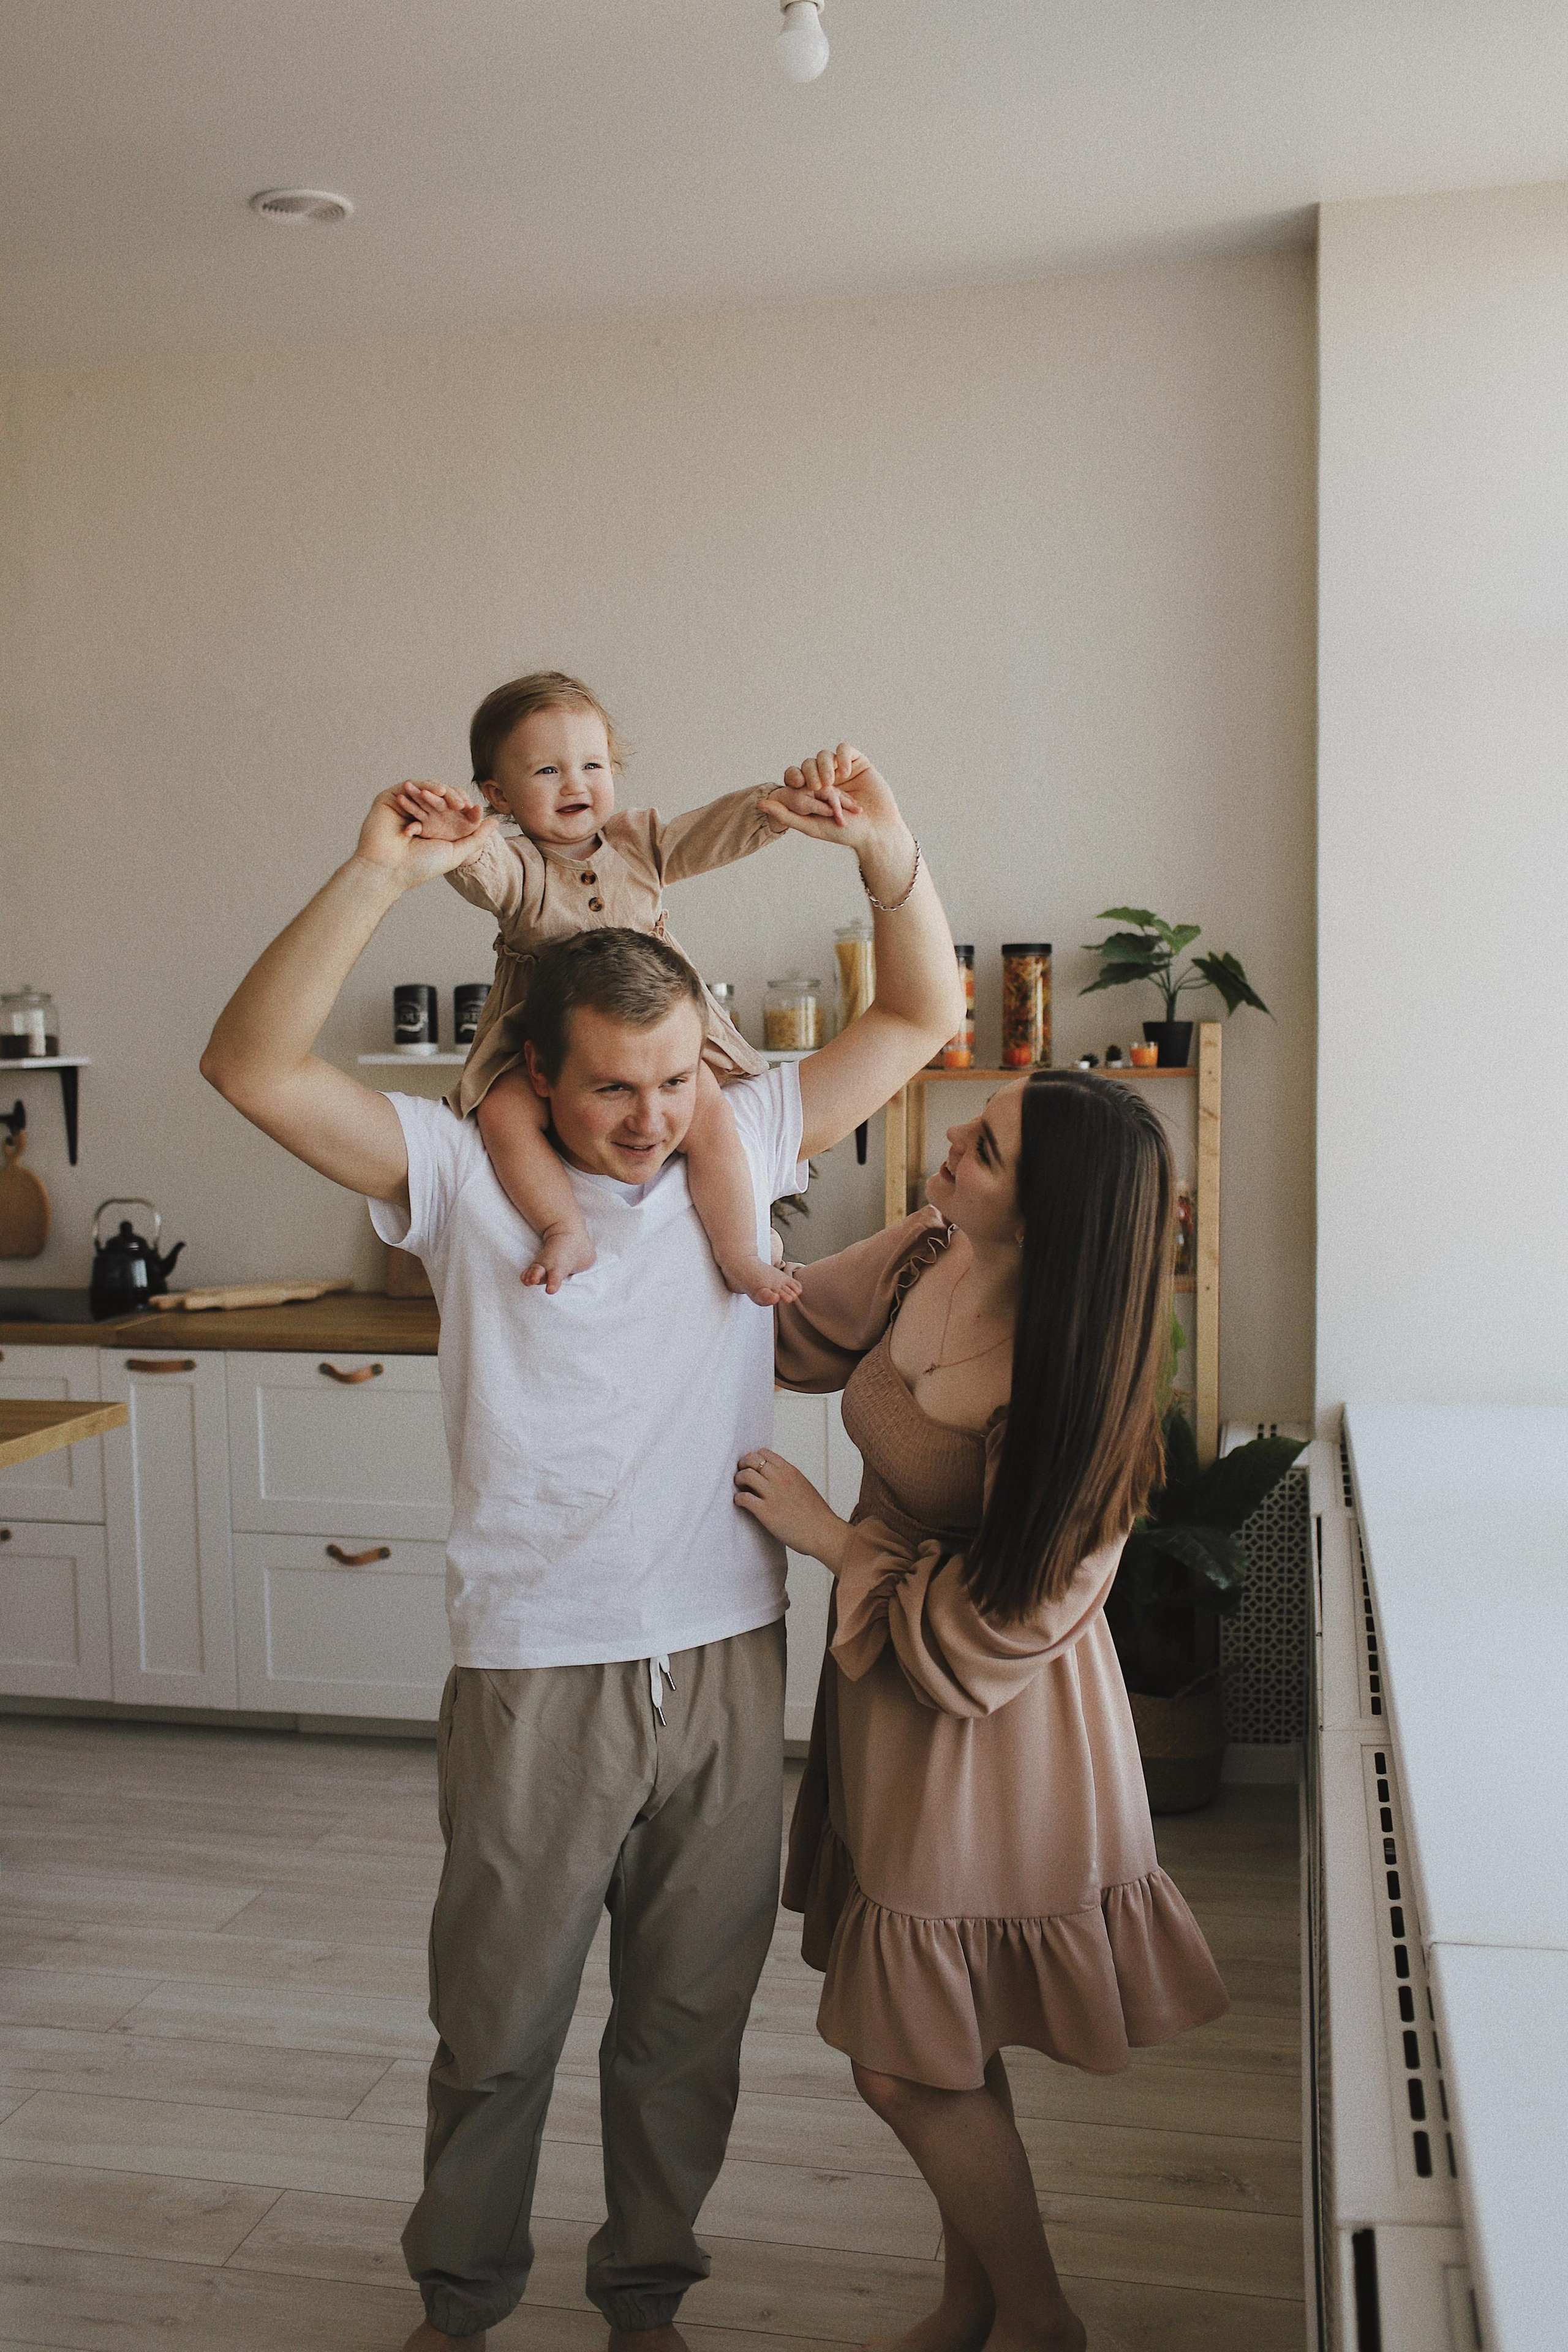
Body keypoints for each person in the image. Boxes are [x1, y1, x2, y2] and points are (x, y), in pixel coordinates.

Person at [198, 743, 964, 2352]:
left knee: (687, 2030)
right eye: (613, 1085)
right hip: (540, 1663)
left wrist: (889, 858)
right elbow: (253, 1067)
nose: (651, 1118)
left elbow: (919, 1022)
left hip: (729, 1654)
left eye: (678, 1078)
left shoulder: (740, 1146)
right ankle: (460, 2308)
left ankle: (647, 2305)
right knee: (495, 2028)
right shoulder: (470, 1172)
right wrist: (377, 877)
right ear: (535, 1074)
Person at [733, 1073, 1229, 2352]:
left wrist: (833, 1542)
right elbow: (787, 1325)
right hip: (889, 1711)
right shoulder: (928, 1249)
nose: (950, 1139)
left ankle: (1039, 2321)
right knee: (943, 2041)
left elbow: (1002, 1633)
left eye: (987, 1147)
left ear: (1047, 1215)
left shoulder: (1076, 1393)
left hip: (993, 1737)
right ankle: (972, 2307)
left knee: (898, 2060)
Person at [393, 667, 829, 1305]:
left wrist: (773, 807)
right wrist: (458, 835)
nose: (575, 784)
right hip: (548, 1038)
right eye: (546, 771)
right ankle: (563, 1227)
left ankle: (741, 1250)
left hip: (657, 1032)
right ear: (500, 793)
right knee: (504, 1110)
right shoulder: (517, 866)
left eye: (592, 765)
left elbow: (706, 833)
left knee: (709, 1109)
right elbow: (479, 870)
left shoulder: (638, 844)